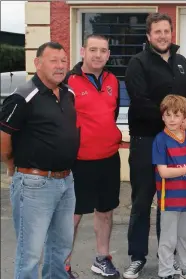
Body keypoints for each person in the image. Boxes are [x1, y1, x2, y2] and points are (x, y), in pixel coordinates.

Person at [123, 13, 186, 278]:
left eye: (166, 31)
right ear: (149, 36)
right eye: (157, 32)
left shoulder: (182, 63)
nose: (163, 36)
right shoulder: (137, 63)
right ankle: (137, 256)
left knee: (170, 204)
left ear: (171, 33)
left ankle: (168, 257)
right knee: (142, 201)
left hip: (176, 146)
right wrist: (172, 122)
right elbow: (140, 102)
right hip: (146, 141)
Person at [0, 42, 78, 279]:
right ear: (38, 64)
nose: (60, 66)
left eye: (63, 60)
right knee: (30, 252)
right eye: (53, 60)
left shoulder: (68, 93)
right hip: (34, 184)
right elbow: (3, 137)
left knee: (61, 247)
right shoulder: (23, 96)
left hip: (66, 181)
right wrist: (12, 165)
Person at [63, 34, 122, 278]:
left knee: (105, 211)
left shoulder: (113, 80)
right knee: (72, 215)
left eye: (103, 51)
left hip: (108, 157)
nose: (98, 55)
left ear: (108, 54)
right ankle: (63, 264)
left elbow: (112, 114)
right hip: (79, 161)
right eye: (93, 50)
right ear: (83, 51)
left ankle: (101, 258)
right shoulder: (68, 81)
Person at [153, 94, 186, 279]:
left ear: (185, 117)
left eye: (177, 115)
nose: (172, 119)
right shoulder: (160, 139)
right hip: (170, 199)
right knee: (168, 239)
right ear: (162, 117)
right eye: (168, 115)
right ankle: (166, 272)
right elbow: (164, 172)